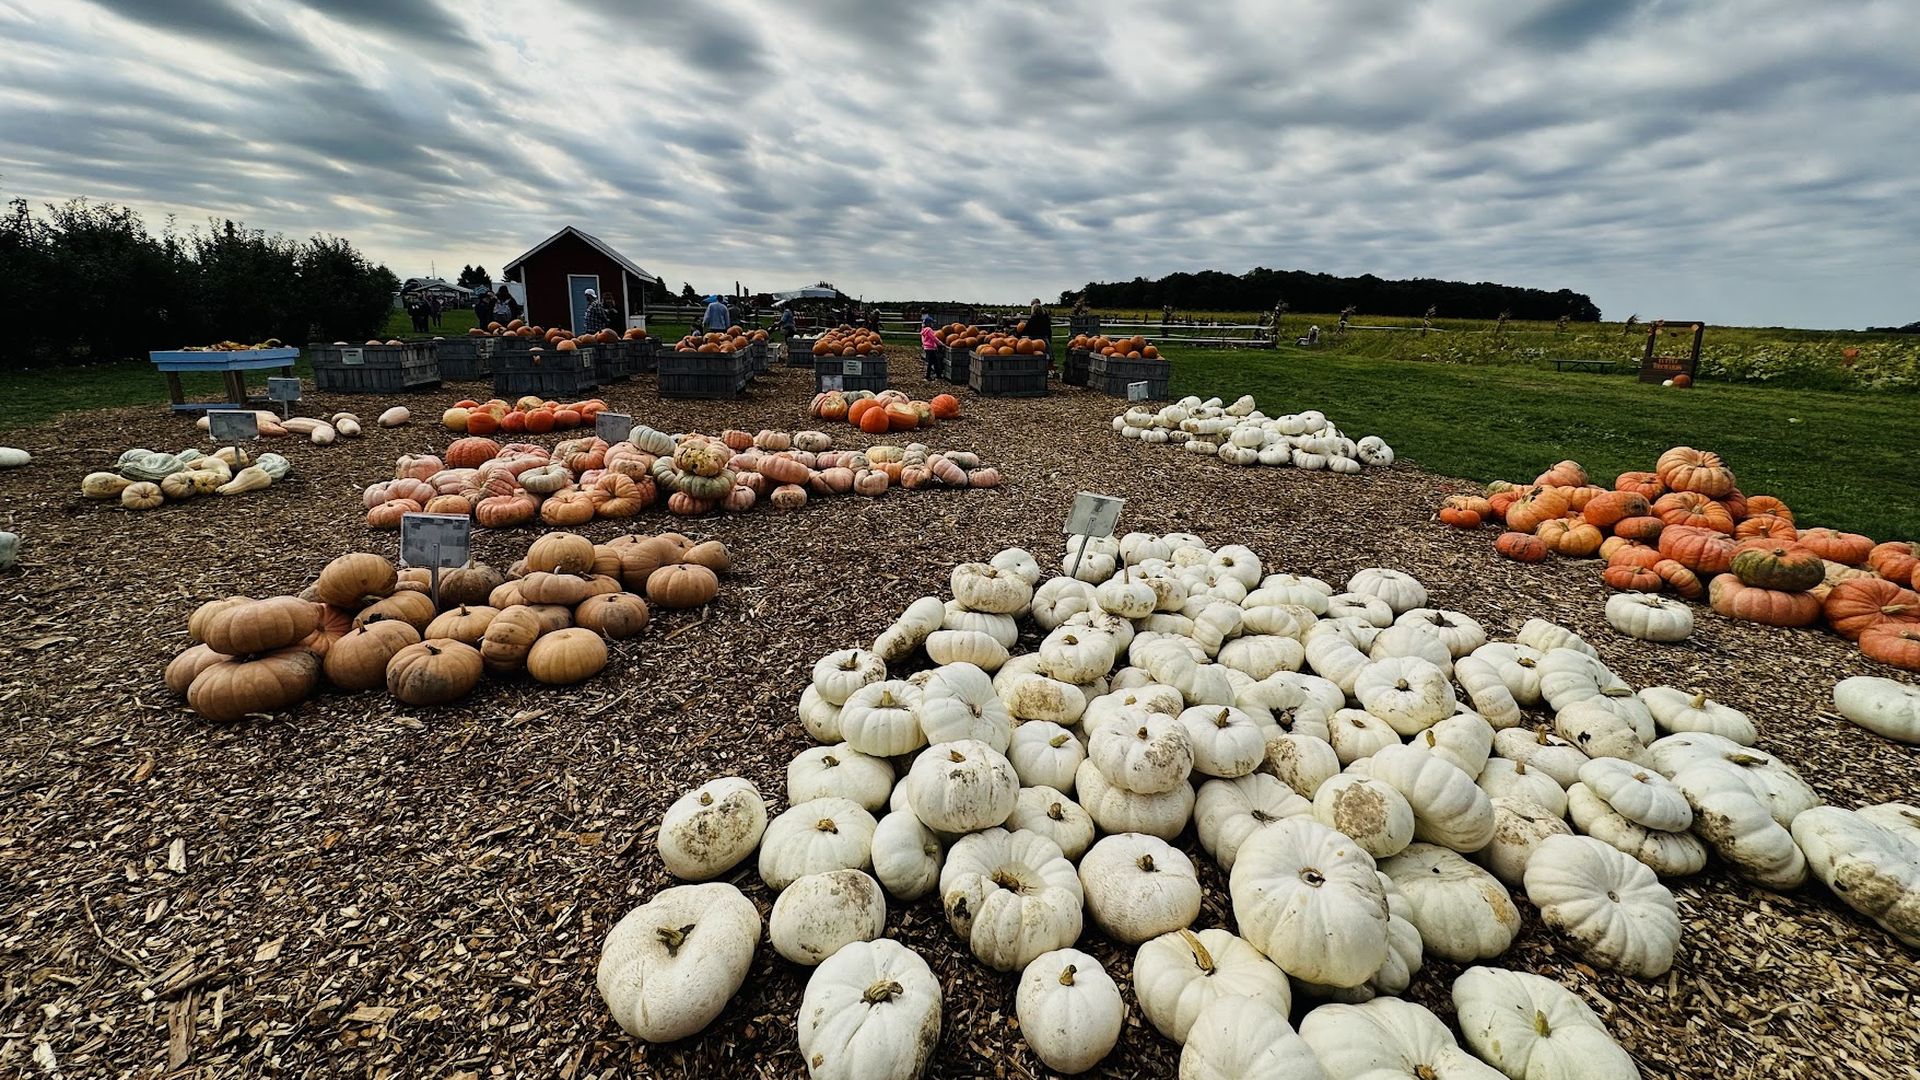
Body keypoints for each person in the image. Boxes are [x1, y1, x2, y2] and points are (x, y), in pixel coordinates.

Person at [921, 314, 940, 379]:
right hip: (931, 348)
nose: (932, 324)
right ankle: (928, 376)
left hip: (927, 348)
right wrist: (940, 343)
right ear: (929, 323)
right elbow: (934, 338)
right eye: (931, 323)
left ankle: (937, 375)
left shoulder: (924, 330)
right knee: (932, 362)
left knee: (934, 362)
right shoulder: (929, 330)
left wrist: (924, 345)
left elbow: (923, 340)